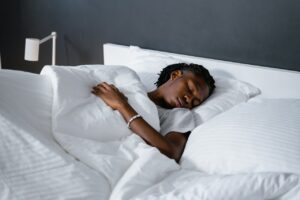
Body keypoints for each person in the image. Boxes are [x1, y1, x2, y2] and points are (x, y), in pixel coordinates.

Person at [92, 63, 215, 163]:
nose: (189, 100)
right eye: (190, 89)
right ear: (175, 75)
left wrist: (122, 106)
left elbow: (172, 152)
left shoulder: (179, 115)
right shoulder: (133, 88)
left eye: (195, 102)